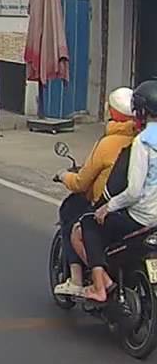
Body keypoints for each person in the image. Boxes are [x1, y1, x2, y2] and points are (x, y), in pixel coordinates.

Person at [75, 79, 157, 303]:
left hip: (142, 218)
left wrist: (107, 207)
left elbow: (134, 192)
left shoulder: (142, 142)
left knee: (89, 223)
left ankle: (99, 286)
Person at [53, 87, 137, 297]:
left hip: (110, 205)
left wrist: (63, 175)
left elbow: (81, 183)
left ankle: (78, 279)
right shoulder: (141, 140)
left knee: (74, 218)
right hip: (136, 208)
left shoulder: (108, 144)